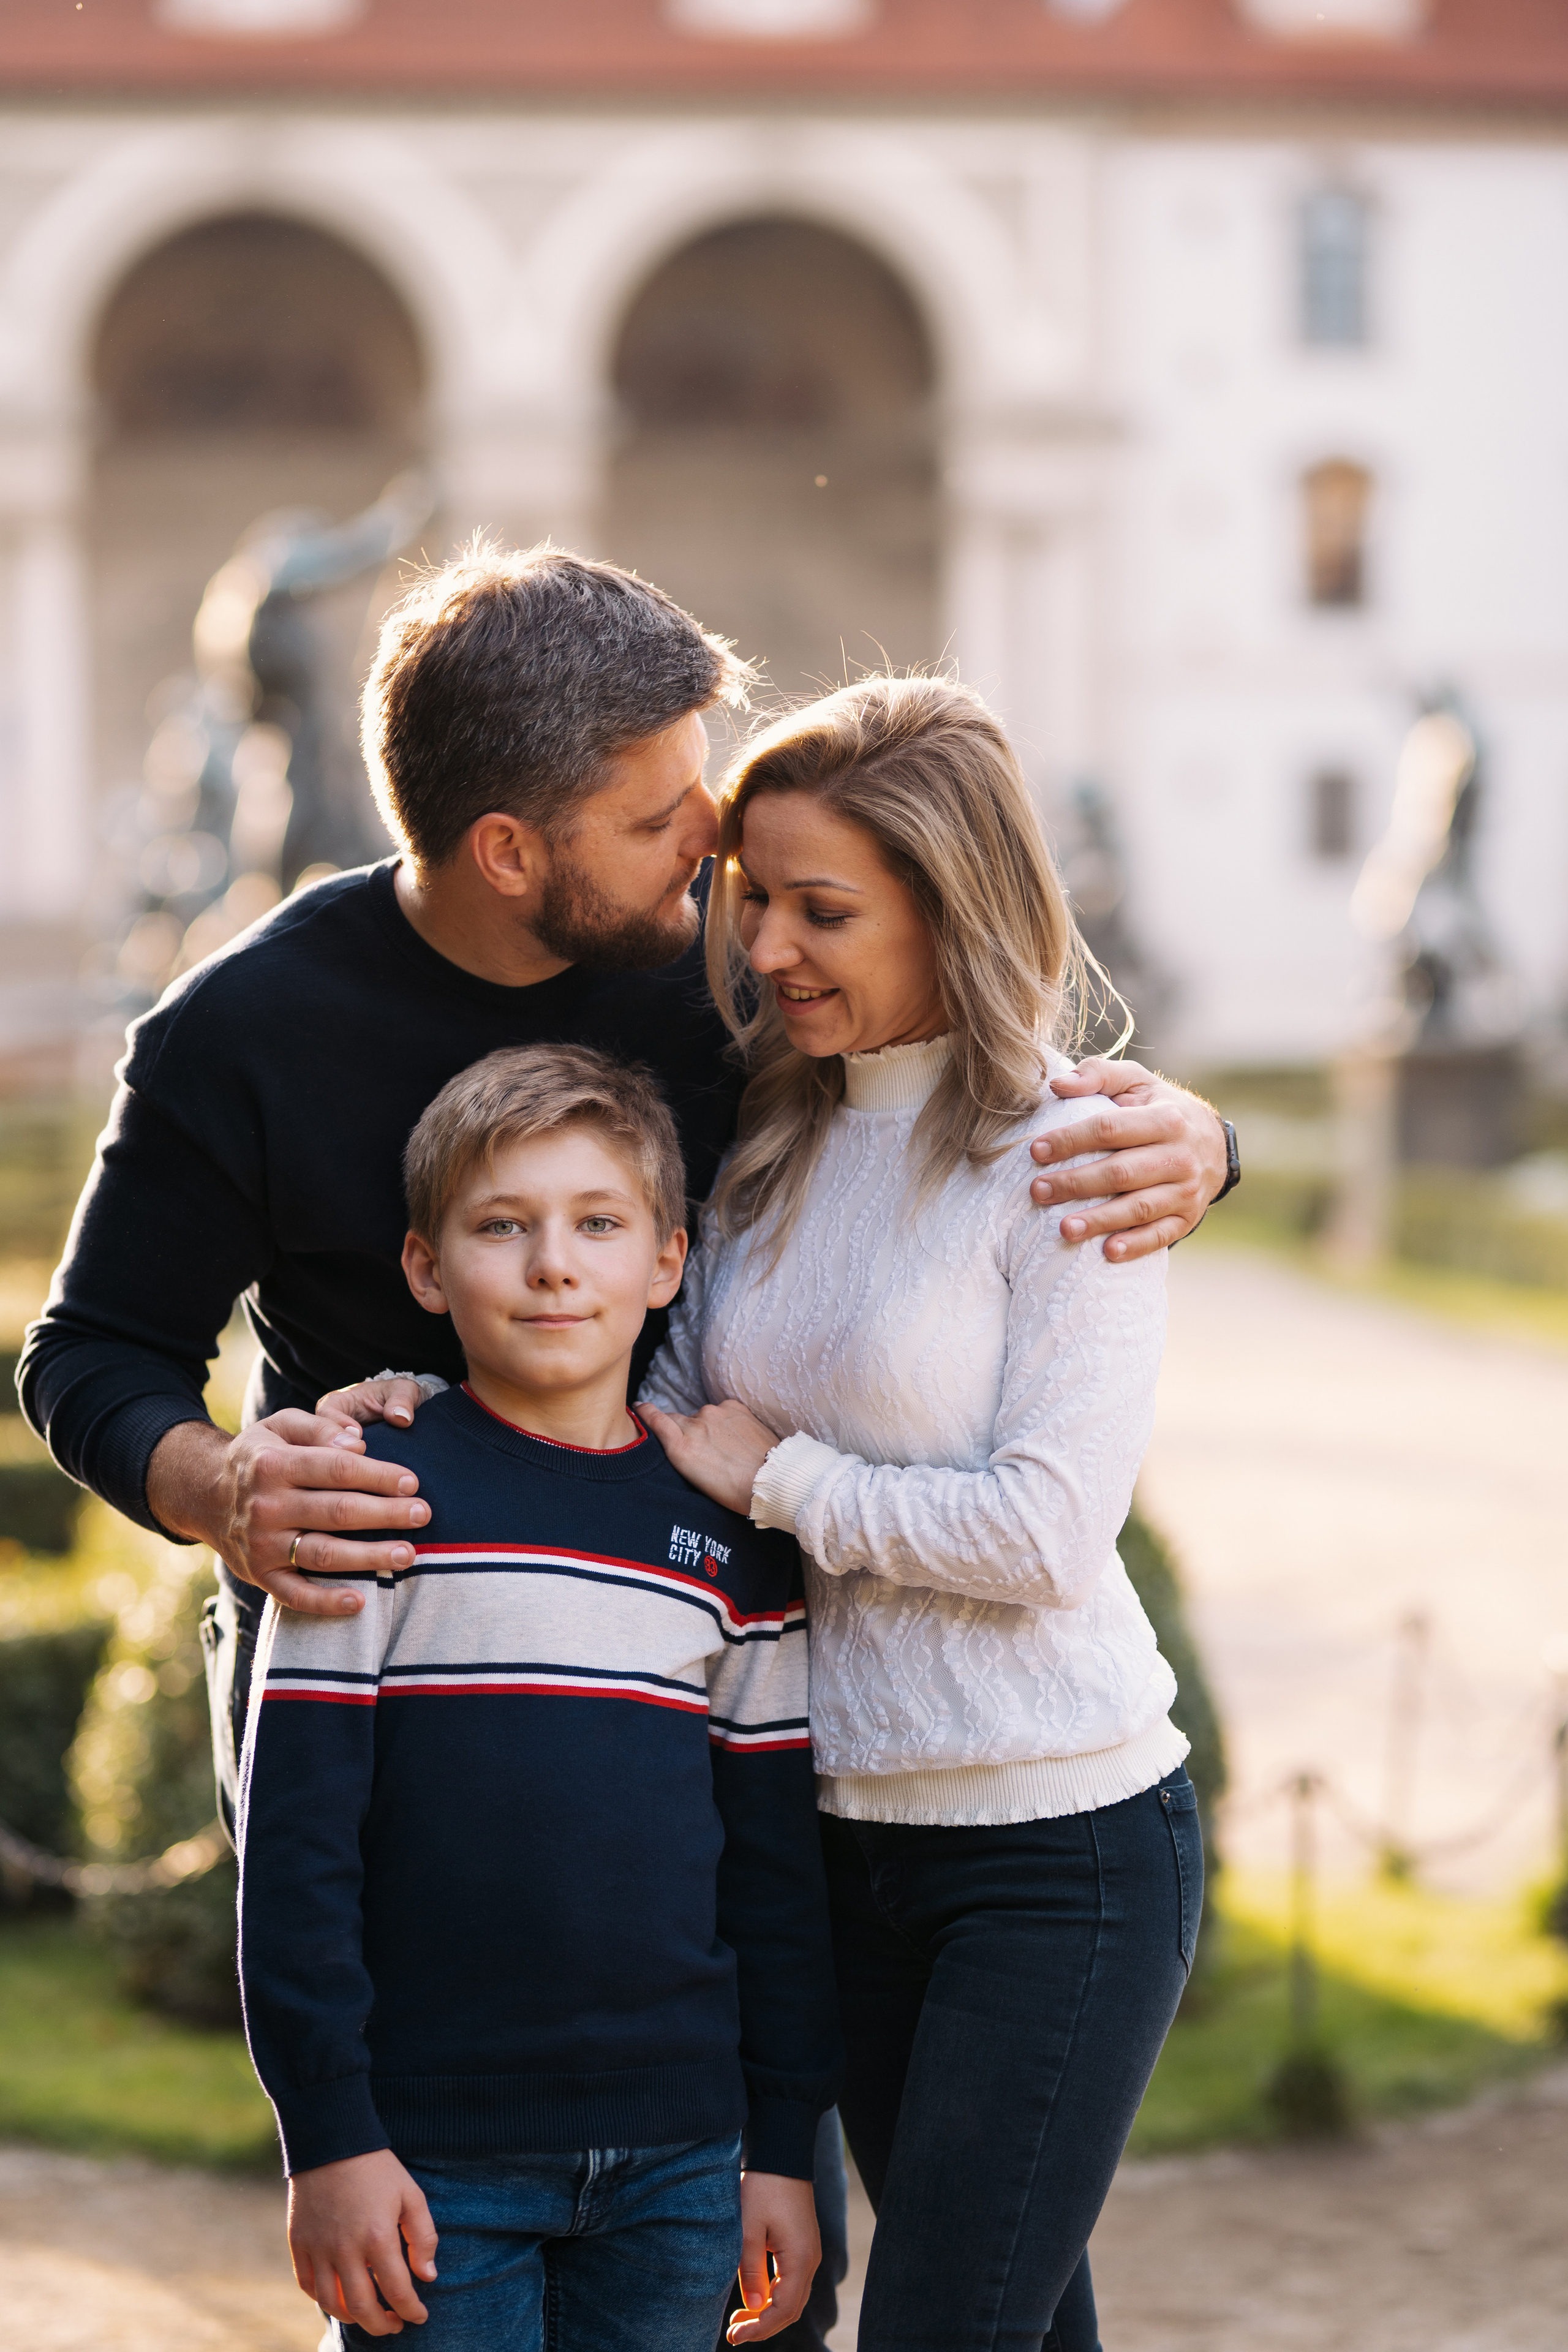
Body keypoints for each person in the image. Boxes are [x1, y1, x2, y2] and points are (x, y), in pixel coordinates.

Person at [20, 545, 1229, 2351]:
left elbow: (954, 1090)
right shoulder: (241, 1032)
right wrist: (222, 1489)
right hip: (390, 1671)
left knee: (755, 2259)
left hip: (714, 1685)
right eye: (669, 816)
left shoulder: (717, 996)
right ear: (512, 849)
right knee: (443, 2230)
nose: (723, 864)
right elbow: (88, 1353)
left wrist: (1203, 1147)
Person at [628, 674, 1202, 2352]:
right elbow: (667, 1407)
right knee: (1017, 2322)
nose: (772, 951)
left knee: (941, 2327)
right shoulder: (765, 1150)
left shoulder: (1077, 1149)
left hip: (1062, 1851)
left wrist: (789, 1483)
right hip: (836, 1838)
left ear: (950, 911)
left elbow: (1045, 1538)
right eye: (757, 906)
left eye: (825, 911)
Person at [238, 1042, 840, 2350]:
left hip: (683, 2157)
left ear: (666, 1262)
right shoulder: (369, 1501)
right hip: (430, 2157)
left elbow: (774, 1878)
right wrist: (328, 2141)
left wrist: (779, 2147)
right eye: (501, 1227)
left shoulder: (733, 1539)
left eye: (597, 1224)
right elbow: (294, 1852)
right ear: (425, 1266)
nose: (553, 1264)